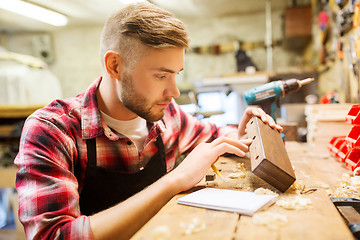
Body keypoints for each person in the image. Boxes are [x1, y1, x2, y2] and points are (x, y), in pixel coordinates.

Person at [14, 2, 282, 240]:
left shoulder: (168, 116)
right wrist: (174, 180)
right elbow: (54, 236)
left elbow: (214, 135)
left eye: (176, 74)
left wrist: (239, 132)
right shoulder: (53, 130)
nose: (174, 91)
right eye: (161, 76)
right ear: (115, 66)